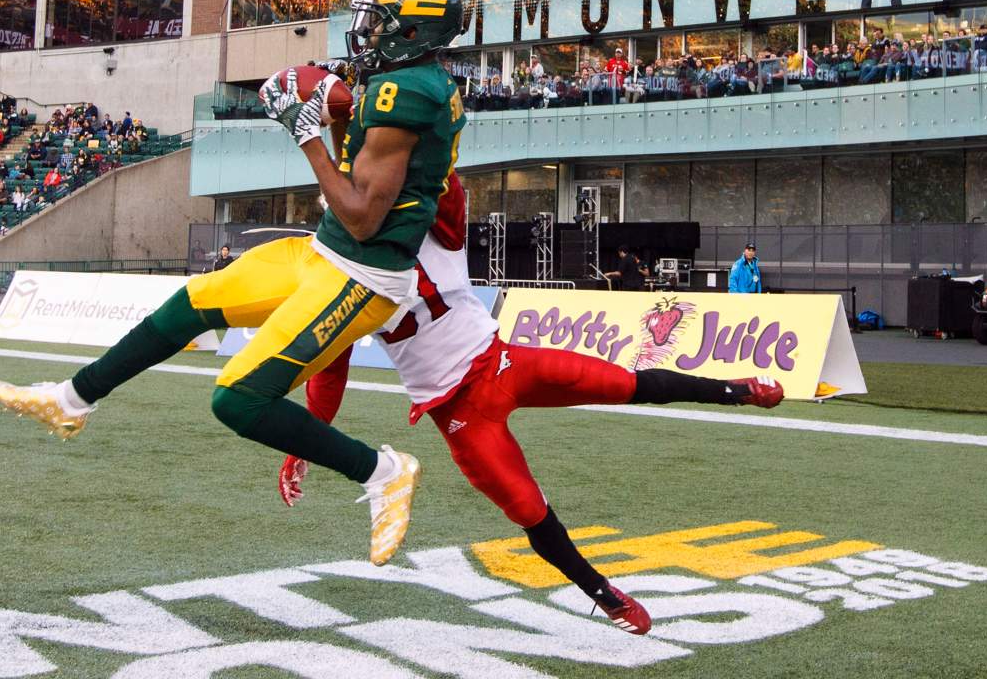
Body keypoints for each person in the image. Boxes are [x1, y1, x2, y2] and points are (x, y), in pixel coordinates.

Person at [0, 0, 468, 567]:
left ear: (412, 32)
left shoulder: (408, 93)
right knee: (194, 301)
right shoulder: (406, 83)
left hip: (362, 276)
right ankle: (72, 400)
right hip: (326, 254)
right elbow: (360, 175)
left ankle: (382, 472)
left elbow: (364, 215)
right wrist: (336, 120)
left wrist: (306, 132)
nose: (365, 32)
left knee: (238, 399)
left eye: (379, 23)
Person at [276, 174, 784, 636]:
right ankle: (603, 594)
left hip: (502, 364)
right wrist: (304, 444)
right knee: (527, 509)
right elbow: (329, 369)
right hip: (458, 413)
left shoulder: (431, 225)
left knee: (623, 383)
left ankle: (735, 390)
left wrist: (400, 141)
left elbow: (440, 173)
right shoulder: (341, 279)